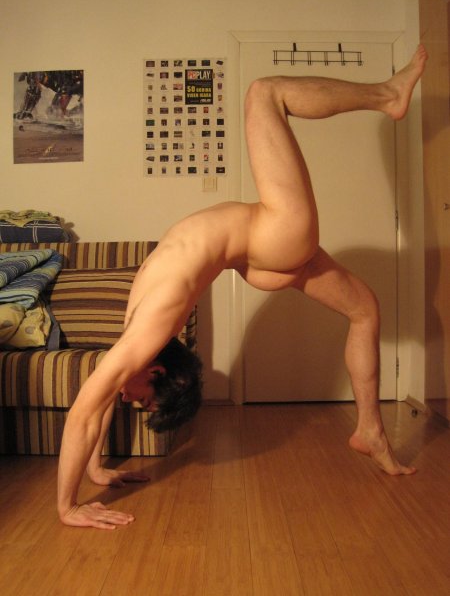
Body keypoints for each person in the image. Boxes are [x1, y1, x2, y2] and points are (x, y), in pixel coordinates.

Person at [58, 45, 428, 529]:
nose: (131, 400)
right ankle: (388, 96)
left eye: (142, 402)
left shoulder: (144, 330)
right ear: (160, 370)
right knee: (264, 94)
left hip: (265, 246)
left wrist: (80, 489)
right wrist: (82, 486)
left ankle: (371, 431)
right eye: (144, 400)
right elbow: (94, 406)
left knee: (364, 310)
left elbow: (92, 405)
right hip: (274, 239)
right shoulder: (150, 328)